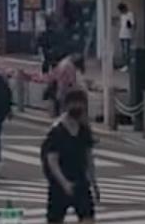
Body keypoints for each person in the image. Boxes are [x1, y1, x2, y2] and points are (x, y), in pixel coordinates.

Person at [42, 91, 100, 224]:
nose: (78, 107)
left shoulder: (84, 130)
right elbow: (52, 160)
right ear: (67, 105)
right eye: (75, 103)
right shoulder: (57, 131)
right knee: (55, 219)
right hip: (59, 184)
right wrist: (64, 182)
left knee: (88, 218)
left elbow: (88, 157)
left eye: (81, 104)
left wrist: (94, 182)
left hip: (80, 181)